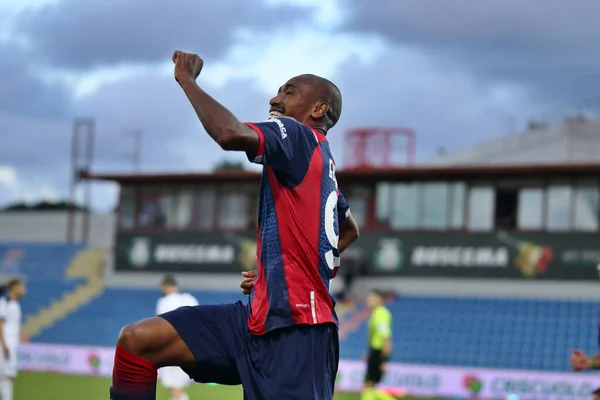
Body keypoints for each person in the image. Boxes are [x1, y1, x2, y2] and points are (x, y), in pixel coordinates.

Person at [108, 50, 360, 400]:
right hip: (256, 319)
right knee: (138, 341)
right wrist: (279, 272)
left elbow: (229, 134)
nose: (275, 98)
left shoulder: (297, 134)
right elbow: (349, 230)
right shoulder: (323, 165)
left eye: (288, 92)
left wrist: (187, 80)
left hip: (298, 331)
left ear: (318, 109)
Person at [155, 275, 199, 400]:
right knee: (180, 386)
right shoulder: (190, 299)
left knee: (175, 388)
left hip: (172, 346)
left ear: (165, 287)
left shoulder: (164, 302)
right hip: (191, 347)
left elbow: (162, 326)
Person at [362, 289, 393, 400]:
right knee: (370, 385)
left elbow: (385, 337)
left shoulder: (381, 314)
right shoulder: (375, 313)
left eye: (371, 298)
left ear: (379, 300)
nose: (368, 300)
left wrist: (384, 360)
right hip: (374, 352)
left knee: (369, 385)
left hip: (378, 353)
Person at [0, 278, 26, 400]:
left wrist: (20, 336)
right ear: (14, 288)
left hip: (11, 343)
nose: (24, 290)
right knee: (6, 375)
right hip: (4, 343)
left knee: (7, 375)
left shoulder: (15, 304)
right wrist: (4, 344)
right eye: (22, 287)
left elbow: (12, 325)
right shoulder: (5, 302)